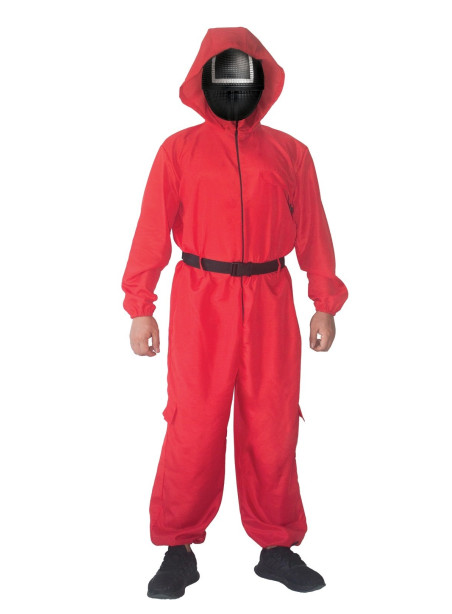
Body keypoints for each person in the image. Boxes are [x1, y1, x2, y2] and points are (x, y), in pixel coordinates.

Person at [121, 27, 348, 600]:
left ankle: (277, 548)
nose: (233, 88)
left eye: (244, 75)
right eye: (222, 76)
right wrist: (140, 307)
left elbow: (314, 231)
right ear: (203, 80)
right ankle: (178, 549)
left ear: (262, 80)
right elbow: (152, 229)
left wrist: (324, 302)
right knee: (193, 423)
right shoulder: (178, 150)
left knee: (273, 422)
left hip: (270, 297)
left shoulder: (291, 153)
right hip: (201, 297)